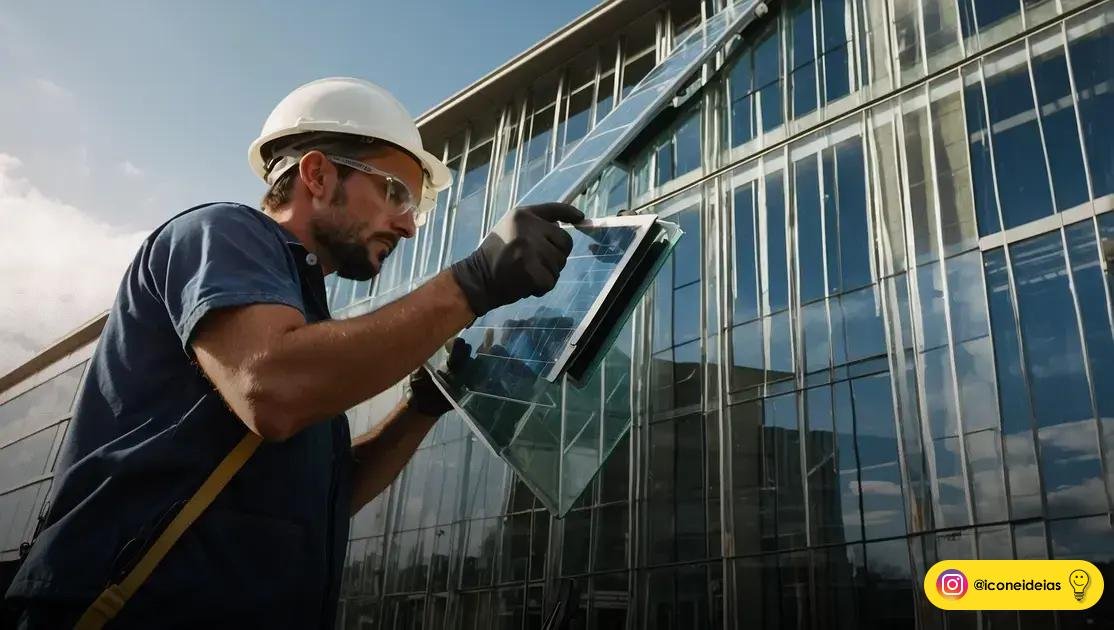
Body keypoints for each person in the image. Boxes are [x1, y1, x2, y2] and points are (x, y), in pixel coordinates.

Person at [3, 77, 583, 628]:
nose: (408, 225)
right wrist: (471, 283)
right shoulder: (221, 234)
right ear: (318, 175)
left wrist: (421, 408)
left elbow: (327, 498)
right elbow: (271, 389)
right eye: (395, 193)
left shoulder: (308, 324)